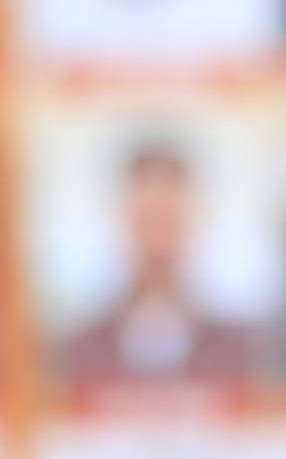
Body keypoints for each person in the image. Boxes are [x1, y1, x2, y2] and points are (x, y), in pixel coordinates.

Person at [59, 136, 274, 391]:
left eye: (168, 220)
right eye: (147, 220)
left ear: (193, 222)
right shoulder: (81, 352)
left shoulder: (239, 352)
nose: (158, 243)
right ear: (125, 222)